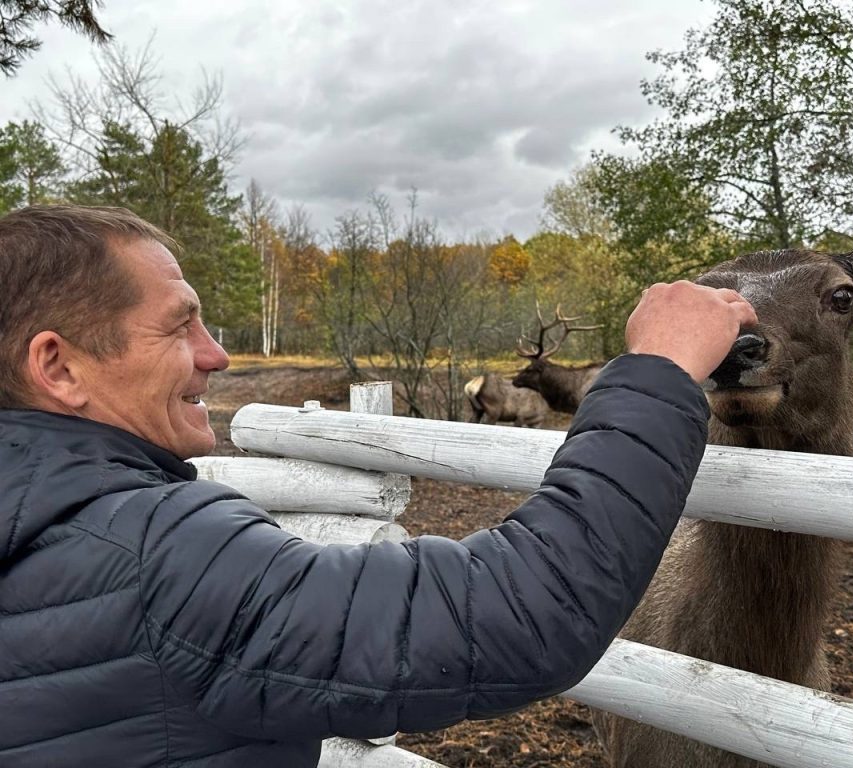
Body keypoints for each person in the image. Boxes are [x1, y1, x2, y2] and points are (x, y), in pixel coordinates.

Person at [0, 204, 757, 766]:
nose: (218, 356)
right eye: (179, 327)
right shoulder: (158, 557)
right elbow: (523, 609)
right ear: (58, 366)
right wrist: (658, 370)